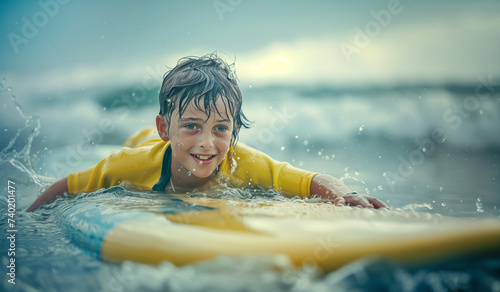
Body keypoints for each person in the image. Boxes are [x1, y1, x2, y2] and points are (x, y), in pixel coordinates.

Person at [27, 53, 388, 212]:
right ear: (165, 128)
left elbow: (307, 179)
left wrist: (346, 194)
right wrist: (24, 224)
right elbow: (70, 185)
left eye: (220, 128)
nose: (206, 142)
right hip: (141, 142)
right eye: (192, 126)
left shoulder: (242, 163)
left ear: (233, 133)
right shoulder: (131, 164)